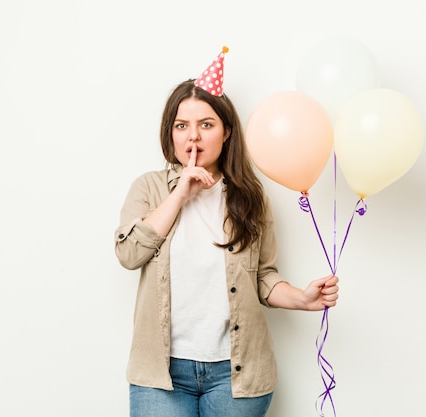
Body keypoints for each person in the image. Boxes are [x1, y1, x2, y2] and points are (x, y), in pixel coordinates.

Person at [114, 47, 339, 417]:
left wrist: (302, 298)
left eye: (206, 124)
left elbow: (263, 277)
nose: (193, 137)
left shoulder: (251, 199)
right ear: (170, 133)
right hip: (161, 374)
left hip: (236, 377)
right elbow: (128, 254)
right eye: (181, 126)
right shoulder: (149, 189)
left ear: (226, 131)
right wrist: (180, 193)